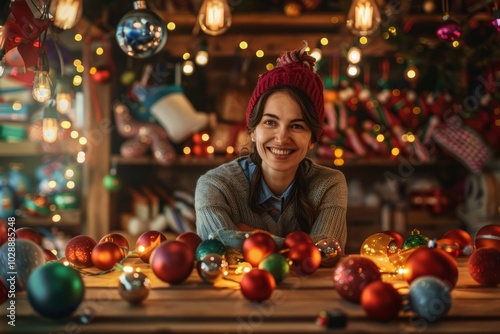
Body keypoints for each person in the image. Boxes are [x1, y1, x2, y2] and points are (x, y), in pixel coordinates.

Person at [195, 43, 347, 254]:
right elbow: (219, 244)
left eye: (296, 126)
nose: (282, 138)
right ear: (253, 131)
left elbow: (328, 251)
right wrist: (300, 246)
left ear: (313, 138)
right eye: (270, 122)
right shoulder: (215, 186)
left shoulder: (329, 184)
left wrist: (250, 236)